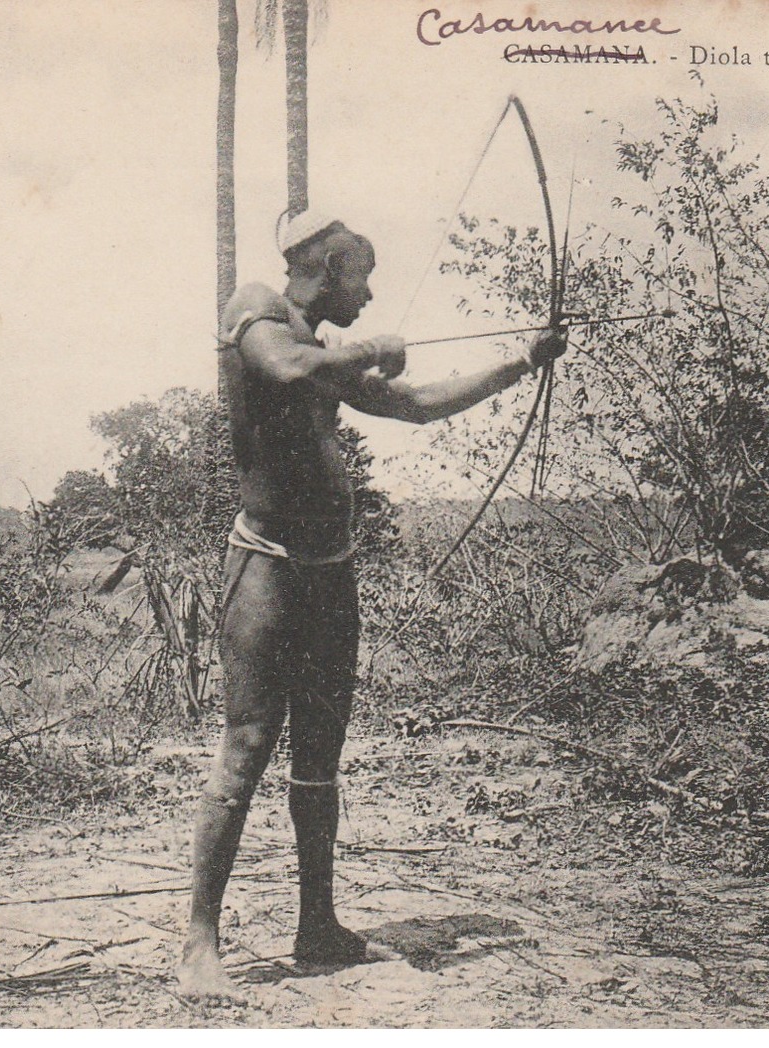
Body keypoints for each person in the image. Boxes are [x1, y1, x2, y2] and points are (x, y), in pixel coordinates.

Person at [176, 210, 567, 998]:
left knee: (319, 759)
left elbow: (417, 403)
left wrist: (522, 362)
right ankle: (198, 943)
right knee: (248, 747)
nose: (369, 292)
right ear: (325, 265)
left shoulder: (325, 351)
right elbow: (284, 369)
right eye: (362, 275)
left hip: (330, 570)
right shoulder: (259, 308)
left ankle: (316, 925)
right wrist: (364, 349)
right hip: (267, 566)